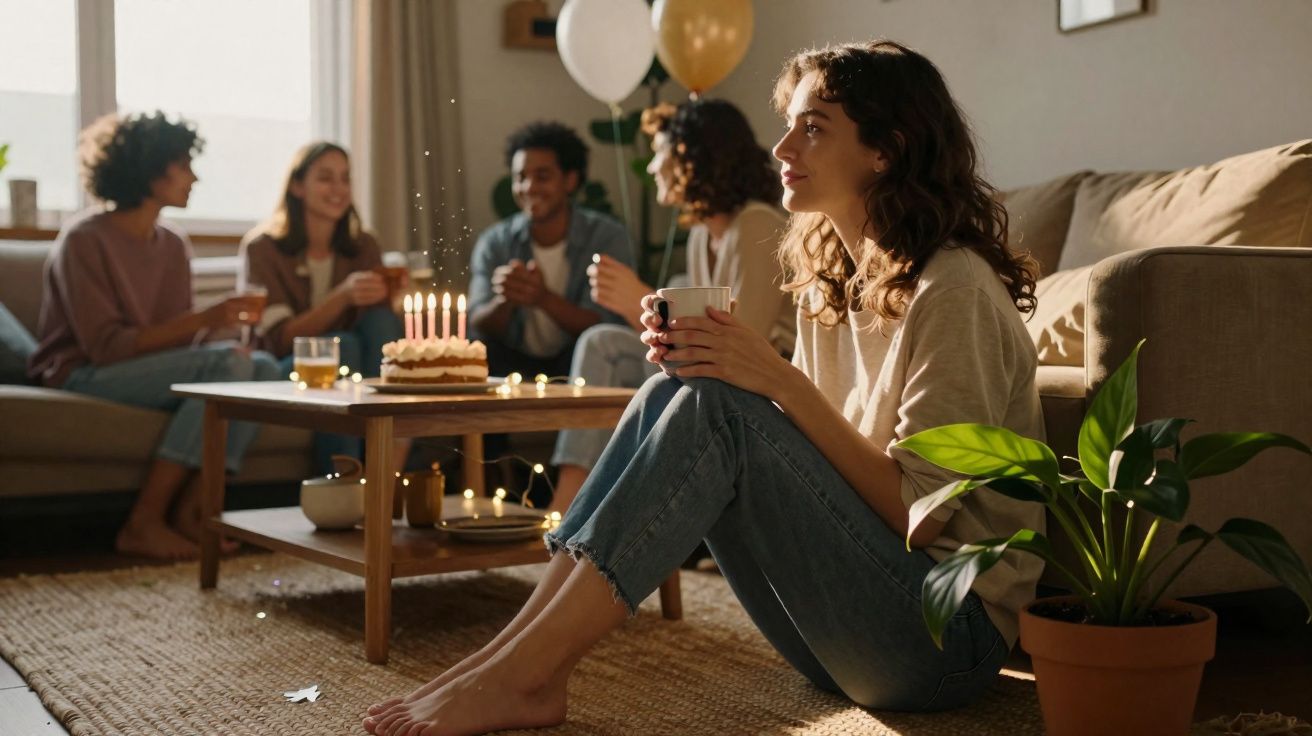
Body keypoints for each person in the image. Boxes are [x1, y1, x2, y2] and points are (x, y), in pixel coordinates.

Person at [364, 39, 1044, 735]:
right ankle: (507, 662)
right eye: (790, 123)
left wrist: (773, 377)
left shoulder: (952, 287)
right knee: (669, 392)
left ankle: (521, 674)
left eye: (814, 127)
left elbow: (920, 514)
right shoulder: (831, 282)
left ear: (886, 149)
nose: (782, 146)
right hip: (842, 632)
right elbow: (812, 469)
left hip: (942, 642)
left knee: (717, 407)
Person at [28, 112, 280, 561]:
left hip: (138, 370)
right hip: (83, 373)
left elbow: (176, 343)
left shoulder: (171, 244)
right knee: (231, 365)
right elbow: (106, 348)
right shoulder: (83, 240)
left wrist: (219, 327)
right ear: (147, 169)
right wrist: (205, 318)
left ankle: (192, 512)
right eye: (182, 165)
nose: (194, 176)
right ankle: (143, 522)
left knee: (260, 368)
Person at [549, 98, 793, 512]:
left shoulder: (757, 223)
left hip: (764, 379)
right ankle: (573, 500)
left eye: (660, 153)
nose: (651, 167)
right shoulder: (702, 234)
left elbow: (742, 342)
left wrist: (640, 300)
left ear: (692, 158)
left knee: (611, 349)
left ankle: (578, 509)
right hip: (712, 368)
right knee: (600, 342)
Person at [240, 142, 407, 474]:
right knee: (340, 348)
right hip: (284, 366)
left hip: (358, 362)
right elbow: (279, 340)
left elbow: (380, 329)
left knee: (380, 321)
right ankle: (343, 482)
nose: (339, 189)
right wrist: (342, 296)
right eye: (326, 178)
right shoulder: (262, 249)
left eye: (345, 179)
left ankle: (389, 463)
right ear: (297, 186)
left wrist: (400, 298)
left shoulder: (364, 245)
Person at [467, 121, 635, 380]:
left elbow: (605, 325)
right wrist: (505, 300)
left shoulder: (606, 238)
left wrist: (543, 298)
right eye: (520, 177)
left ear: (570, 180)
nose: (528, 187)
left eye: (542, 177)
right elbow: (479, 322)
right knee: (477, 346)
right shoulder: (495, 241)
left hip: (575, 362)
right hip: (511, 364)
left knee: (596, 342)